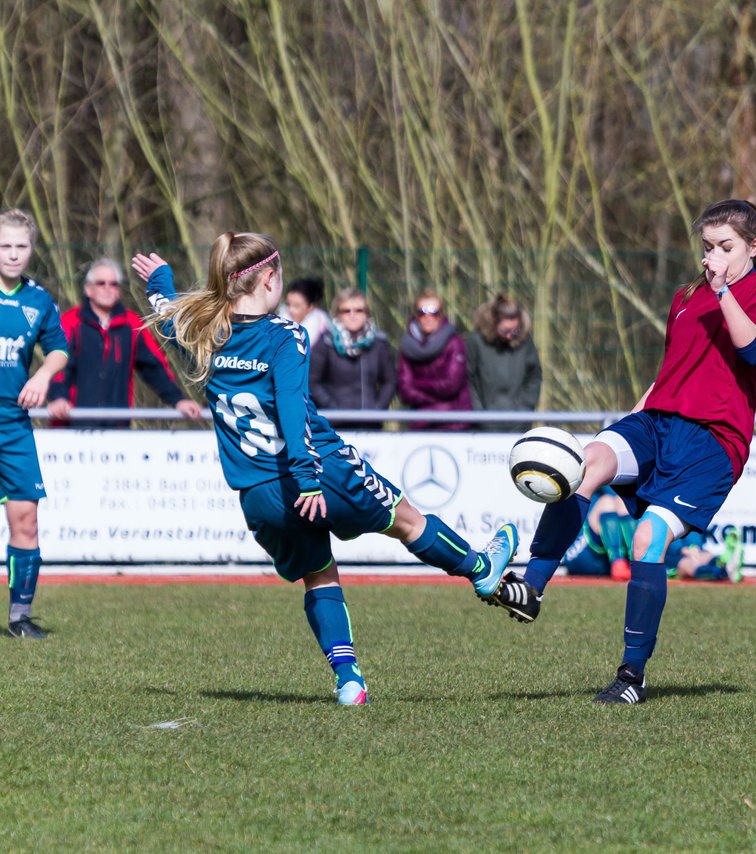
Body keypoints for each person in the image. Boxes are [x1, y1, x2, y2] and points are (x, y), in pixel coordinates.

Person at [133, 233, 519, 704]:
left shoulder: (203, 331)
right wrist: (309, 478)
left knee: (319, 574)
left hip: (258, 494)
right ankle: (480, 568)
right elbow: (293, 411)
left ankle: (349, 681)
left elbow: (167, 316)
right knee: (408, 521)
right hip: (318, 471)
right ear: (270, 278)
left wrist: (160, 282)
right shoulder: (284, 335)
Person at [485, 199, 756, 704]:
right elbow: (674, 368)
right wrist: (635, 414)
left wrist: (725, 292)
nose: (713, 257)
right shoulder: (686, 296)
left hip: (713, 443)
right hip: (656, 421)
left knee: (648, 542)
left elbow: (753, 351)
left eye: (726, 247)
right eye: (708, 247)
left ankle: (630, 678)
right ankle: (532, 588)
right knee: (585, 465)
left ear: (753, 248)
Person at [0, 209, 68, 639]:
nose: (11, 254)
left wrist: (43, 374)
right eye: (4, 245)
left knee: (26, 519)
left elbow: (58, 349)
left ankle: (18, 619)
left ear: (31, 249)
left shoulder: (38, 300)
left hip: (13, 426)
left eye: (20, 246)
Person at [47, 258, 202, 428]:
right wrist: (58, 398)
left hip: (117, 427)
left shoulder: (132, 324)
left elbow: (154, 367)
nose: (107, 289)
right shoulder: (70, 322)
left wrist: (177, 400)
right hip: (72, 425)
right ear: (88, 289)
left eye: (113, 284)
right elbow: (57, 367)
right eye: (101, 283)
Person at [308, 288, 396, 430]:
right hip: (334, 426)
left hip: (371, 425)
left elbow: (390, 381)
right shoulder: (325, 343)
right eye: (346, 311)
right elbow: (312, 382)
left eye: (359, 310)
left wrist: (379, 408)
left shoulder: (379, 344)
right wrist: (333, 409)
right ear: (337, 314)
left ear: (367, 313)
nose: (353, 315)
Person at [396, 290, 471, 430]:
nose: (428, 317)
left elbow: (451, 385)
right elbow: (405, 389)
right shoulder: (407, 345)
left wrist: (417, 384)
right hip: (420, 423)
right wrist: (433, 398)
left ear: (441, 315)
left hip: (454, 423)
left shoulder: (455, 343)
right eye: (422, 312)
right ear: (416, 316)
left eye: (434, 312)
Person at [465, 294, 541, 429]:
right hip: (483, 424)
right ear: (493, 322)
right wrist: (478, 413)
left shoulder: (525, 342)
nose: (511, 335)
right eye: (505, 330)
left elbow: (534, 376)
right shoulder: (475, 341)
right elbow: (466, 379)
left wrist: (525, 408)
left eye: (515, 330)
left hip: (519, 423)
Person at [561, 489, 634, 580]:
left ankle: (635, 564)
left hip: (615, 558)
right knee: (608, 502)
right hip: (584, 555)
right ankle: (621, 563)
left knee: (627, 503)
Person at [666, 525, 745, 583]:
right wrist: (684, 550)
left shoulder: (692, 517)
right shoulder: (667, 514)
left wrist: (694, 548)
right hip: (670, 558)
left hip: (690, 552)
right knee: (691, 563)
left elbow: (696, 537)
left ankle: (722, 562)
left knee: (707, 555)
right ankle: (724, 570)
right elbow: (669, 540)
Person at [283, 277, 331, 345]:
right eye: (288, 304)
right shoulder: (278, 323)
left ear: (311, 306)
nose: (290, 310)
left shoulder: (324, 334)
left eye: (296, 306)